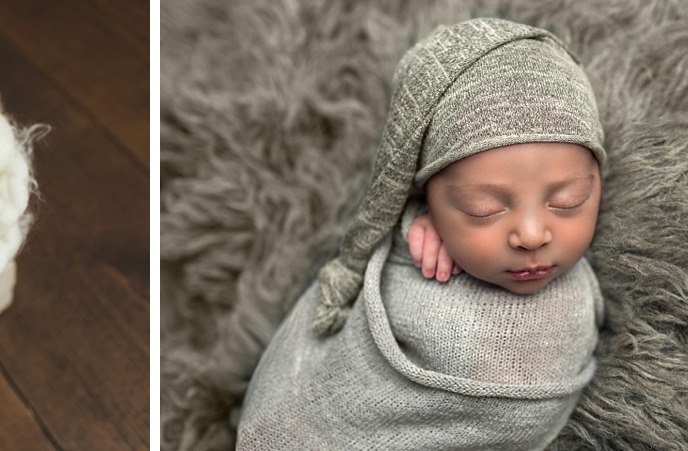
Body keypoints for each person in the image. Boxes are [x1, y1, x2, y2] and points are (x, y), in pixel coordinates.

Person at [235, 18, 606, 450]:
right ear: (424, 193)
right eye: (481, 209)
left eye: (568, 200)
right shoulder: (415, 248)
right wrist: (412, 225)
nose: (531, 234)